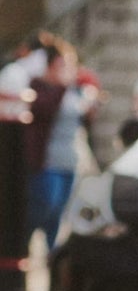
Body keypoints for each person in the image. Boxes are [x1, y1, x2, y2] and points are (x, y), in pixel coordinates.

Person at [25, 42, 95, 249]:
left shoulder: (76, 91)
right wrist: (62, 87)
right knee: (45, 204)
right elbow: (44, 111)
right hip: (47, 159)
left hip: (70, 159)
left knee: (59, 214)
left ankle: (51, 257)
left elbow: (82, 122)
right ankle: (23, 246)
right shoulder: (40, 86)